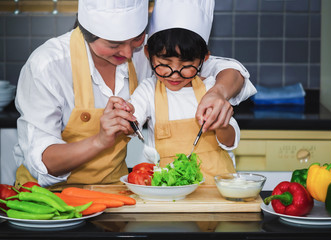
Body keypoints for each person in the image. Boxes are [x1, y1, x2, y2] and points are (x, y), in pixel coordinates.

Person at [13, 0, 256, 190]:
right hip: (48, 197)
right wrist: (99, 140)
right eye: (113, 43)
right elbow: (43, 161)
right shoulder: (48, 65)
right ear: (87, 32)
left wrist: (218, 92)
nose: (129, 52)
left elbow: (229, 70)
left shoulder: (150, 52)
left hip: (111, 192)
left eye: (138, 38)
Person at [128, 0, 256, 185]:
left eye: (187, 65)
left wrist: (220, 125)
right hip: (168, 192)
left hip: (216, 192)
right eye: (165, 63)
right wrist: (124, 116)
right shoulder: (148, 90)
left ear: (203, 59)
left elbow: (230, 141)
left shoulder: (210, 88)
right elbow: (133, 117)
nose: (175, 73)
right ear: (148, 53)